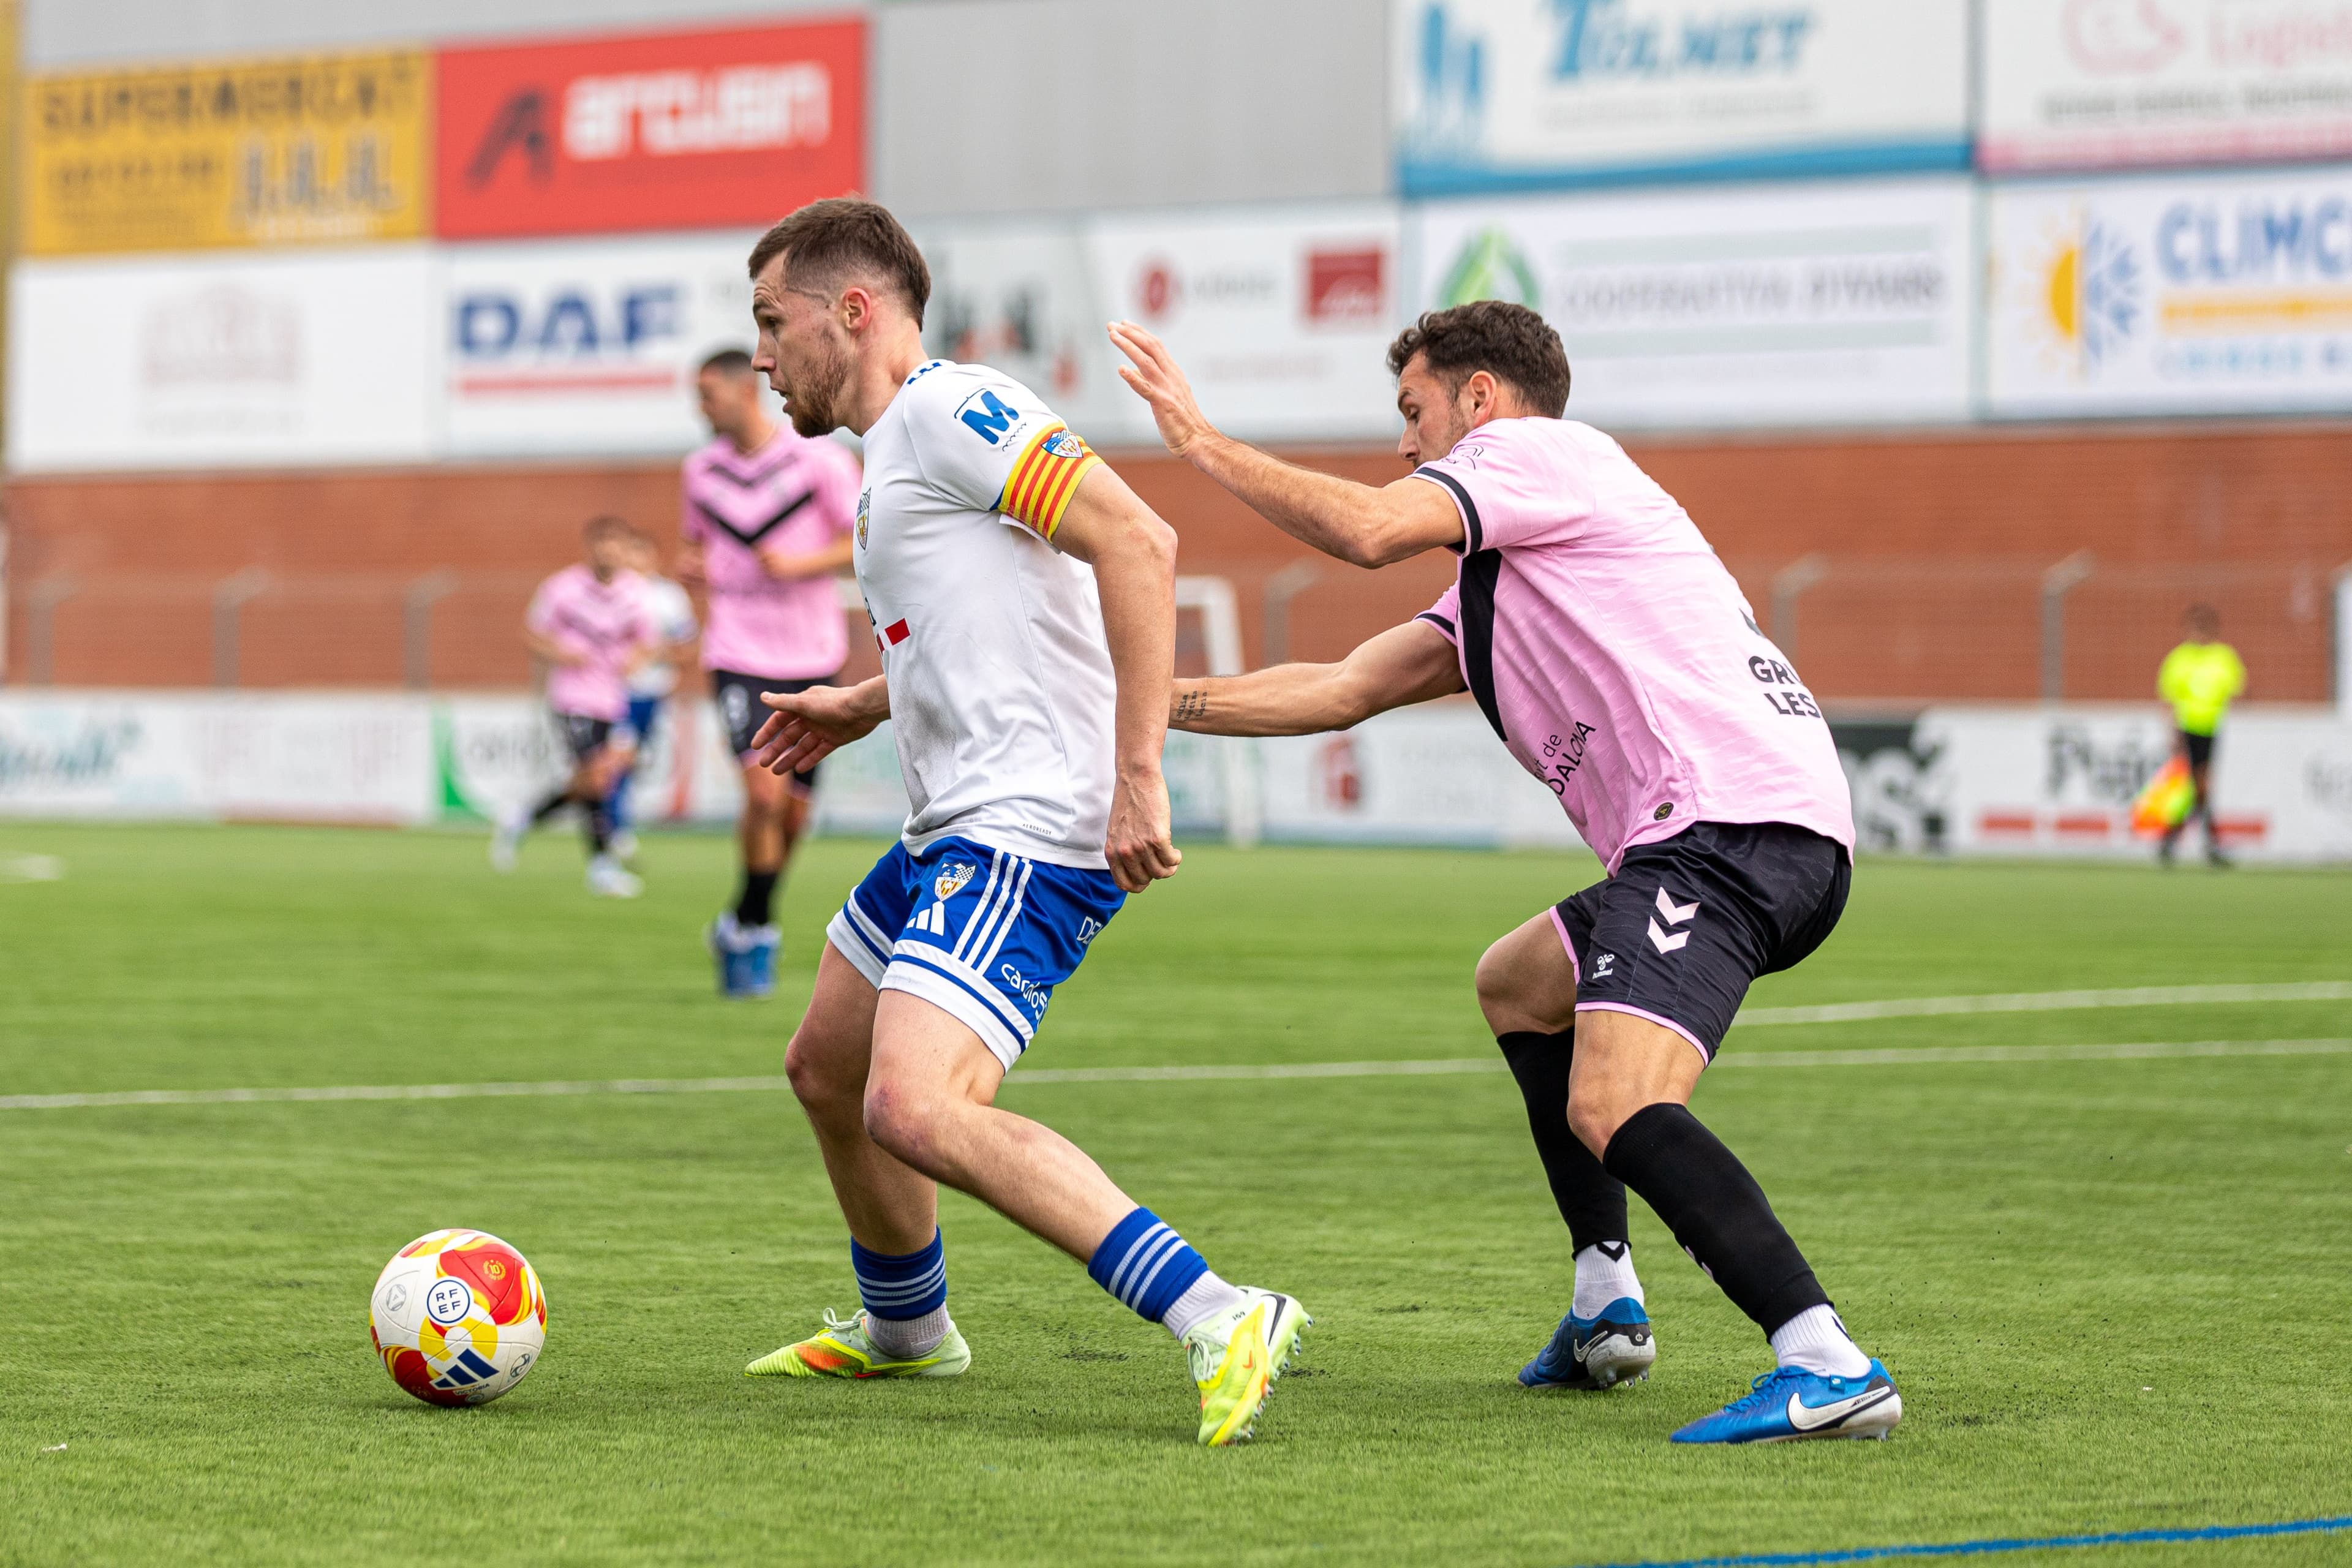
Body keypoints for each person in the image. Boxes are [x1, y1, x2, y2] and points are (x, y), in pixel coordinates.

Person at [1115, 300, 1899, 1446]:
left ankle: (1823, 1358)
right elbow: (1337, 689)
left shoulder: (1540, 454)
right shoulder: (1508, 580)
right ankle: (1603, 1300)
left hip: (1730, 826)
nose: (1405, 441)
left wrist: (1201, 443)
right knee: (1522, 982)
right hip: (1736, 830)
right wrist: (1141, 706)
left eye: (1414, 409)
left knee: (1617, 1101)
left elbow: (1373, 529)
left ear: (1480, 400)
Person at [735, 198, 1308, 1447]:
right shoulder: (892, 455)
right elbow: (993, 623)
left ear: (855, 310)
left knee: (916, 1105)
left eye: (772, 325)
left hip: (1029, 823)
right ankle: (908, 1330)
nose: (761, 358)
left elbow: (1137, 540)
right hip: (950, 821)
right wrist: (860, 700)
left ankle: (1224, 1310)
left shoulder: (950, 410)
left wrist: (1139, 770)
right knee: (825, 1065)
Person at [675, 348, 862, 998]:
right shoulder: (699, 472)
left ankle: (742, 915)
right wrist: (696, 568)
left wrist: (803, 562)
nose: (700, 407)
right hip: (735, 653)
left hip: (814, 654)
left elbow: (866, 536)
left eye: (707, 393)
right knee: (762, 794)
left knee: (792, 815)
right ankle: (759, 933)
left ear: (742, 391)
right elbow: (698, 544)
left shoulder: (821, 462)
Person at [494, 515, 657, 899]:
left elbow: (649, 642)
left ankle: (523, 818)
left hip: (613, 699)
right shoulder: (562, 588)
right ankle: (602, 867)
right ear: (591, 547)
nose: (609, 550)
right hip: (572, 698)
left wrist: (636, 660)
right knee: (596, 777)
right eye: (602, 542)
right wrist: (560, 652)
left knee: (590, 781)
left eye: (617, 543)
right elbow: (533, 633)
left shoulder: (637, 593)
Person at [604, 530, 701, 861]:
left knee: (629, 763)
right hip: (614, 693)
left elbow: (687, 648)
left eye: (639, 556)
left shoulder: (669, 597)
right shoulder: (611, 594)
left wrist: (656, 654)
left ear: (653, 558)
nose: (633, 564)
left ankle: (612, 826)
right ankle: (615, 832)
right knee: (616, 761)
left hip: (653, 691)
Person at [2156, 604, 2244, 869]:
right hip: (2188, 730)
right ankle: (2209, 844)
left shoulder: (2223, 657)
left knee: (2199, 788)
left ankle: (2172, 840)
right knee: (2199, 787)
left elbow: (2236, 689)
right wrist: (2172, 732)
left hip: (2212, 729)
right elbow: (2169, 699)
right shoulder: (2179, 659)